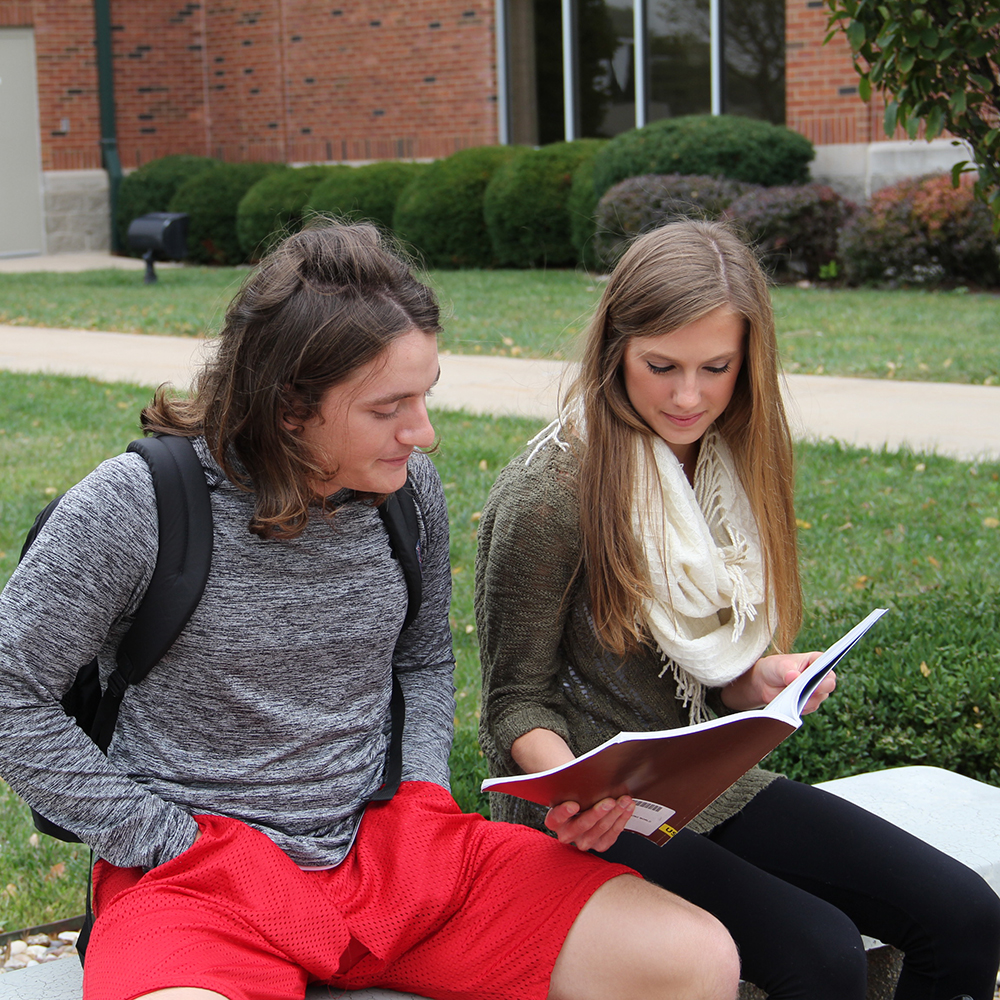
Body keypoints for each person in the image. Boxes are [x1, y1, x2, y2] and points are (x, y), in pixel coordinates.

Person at [0, 222, 742, 1000]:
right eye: (389, 407)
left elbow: (420, 658)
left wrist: (420, 793)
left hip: (397, 856)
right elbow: (13, 694)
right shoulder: (136, 507)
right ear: (290, 406)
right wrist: (162, 839)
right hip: (197, 879)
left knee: (691, 958)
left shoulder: (405, 490)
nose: (423, 433)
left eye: (425, 395)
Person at [475, 219, 1000, 1000]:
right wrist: (580, 791)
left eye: (716, 367)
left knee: (966, 917)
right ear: (615, 348)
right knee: (819, 954)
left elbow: (697, 674)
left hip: (703, 784)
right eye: (662, 366)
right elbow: (512, 703)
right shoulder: (552, 492)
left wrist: (756, 684)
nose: (689, 396)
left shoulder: (726, 461)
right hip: (589, 812)